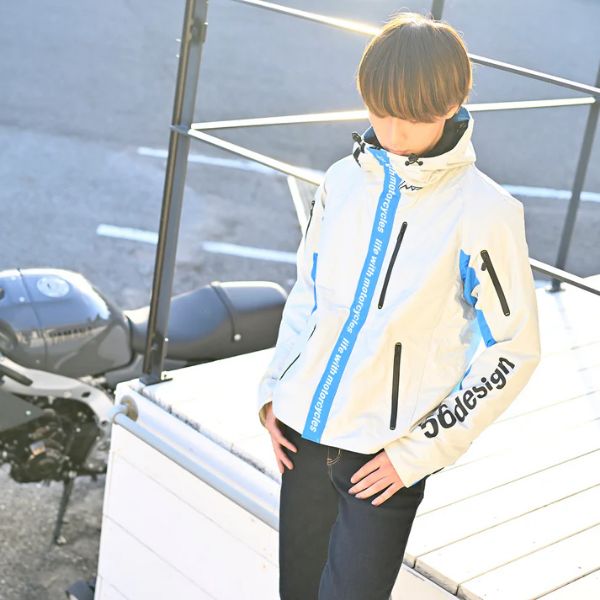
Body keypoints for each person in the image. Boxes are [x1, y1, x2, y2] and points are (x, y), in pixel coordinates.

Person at [256, 11, 541, 600]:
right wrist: (274, 389)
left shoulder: (485, 212)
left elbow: (515, 350)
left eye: (411, 117)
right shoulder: (341, 181)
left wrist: (420, 452)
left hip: (384, 462)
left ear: (452, 104)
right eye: (379, 112)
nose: (391, 131)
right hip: (301, 438)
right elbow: (308, 292)